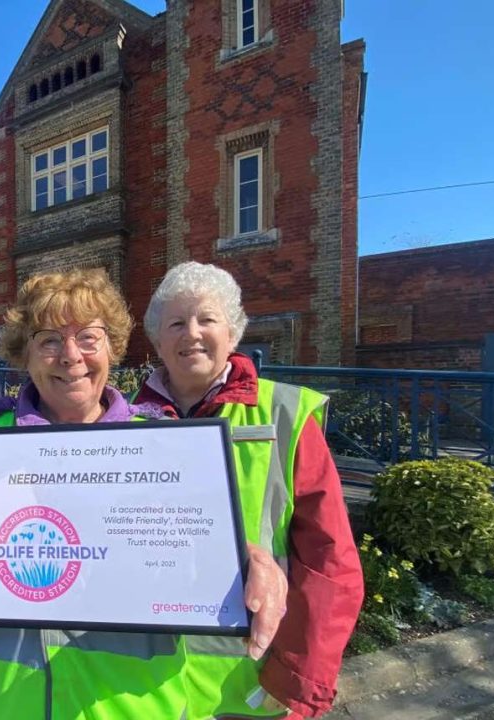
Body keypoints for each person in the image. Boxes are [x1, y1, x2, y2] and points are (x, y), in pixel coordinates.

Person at [0, 268, 288, 719]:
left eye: (89, 338)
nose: (70, 356)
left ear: (113, 348)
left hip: (128, 708)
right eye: (49, 340)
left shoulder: (164, 442)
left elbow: (201, 553)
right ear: (26, 355)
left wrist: (244, 558)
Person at [133, 261, 364, 719]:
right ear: (158, 340)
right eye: (176, 323)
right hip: (144, 691)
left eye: (207, 319)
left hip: (250, 685)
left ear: (234, 333)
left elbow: (330, 560)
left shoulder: (284, 414)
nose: (191, 333)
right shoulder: (126, 422)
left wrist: (298, 680)